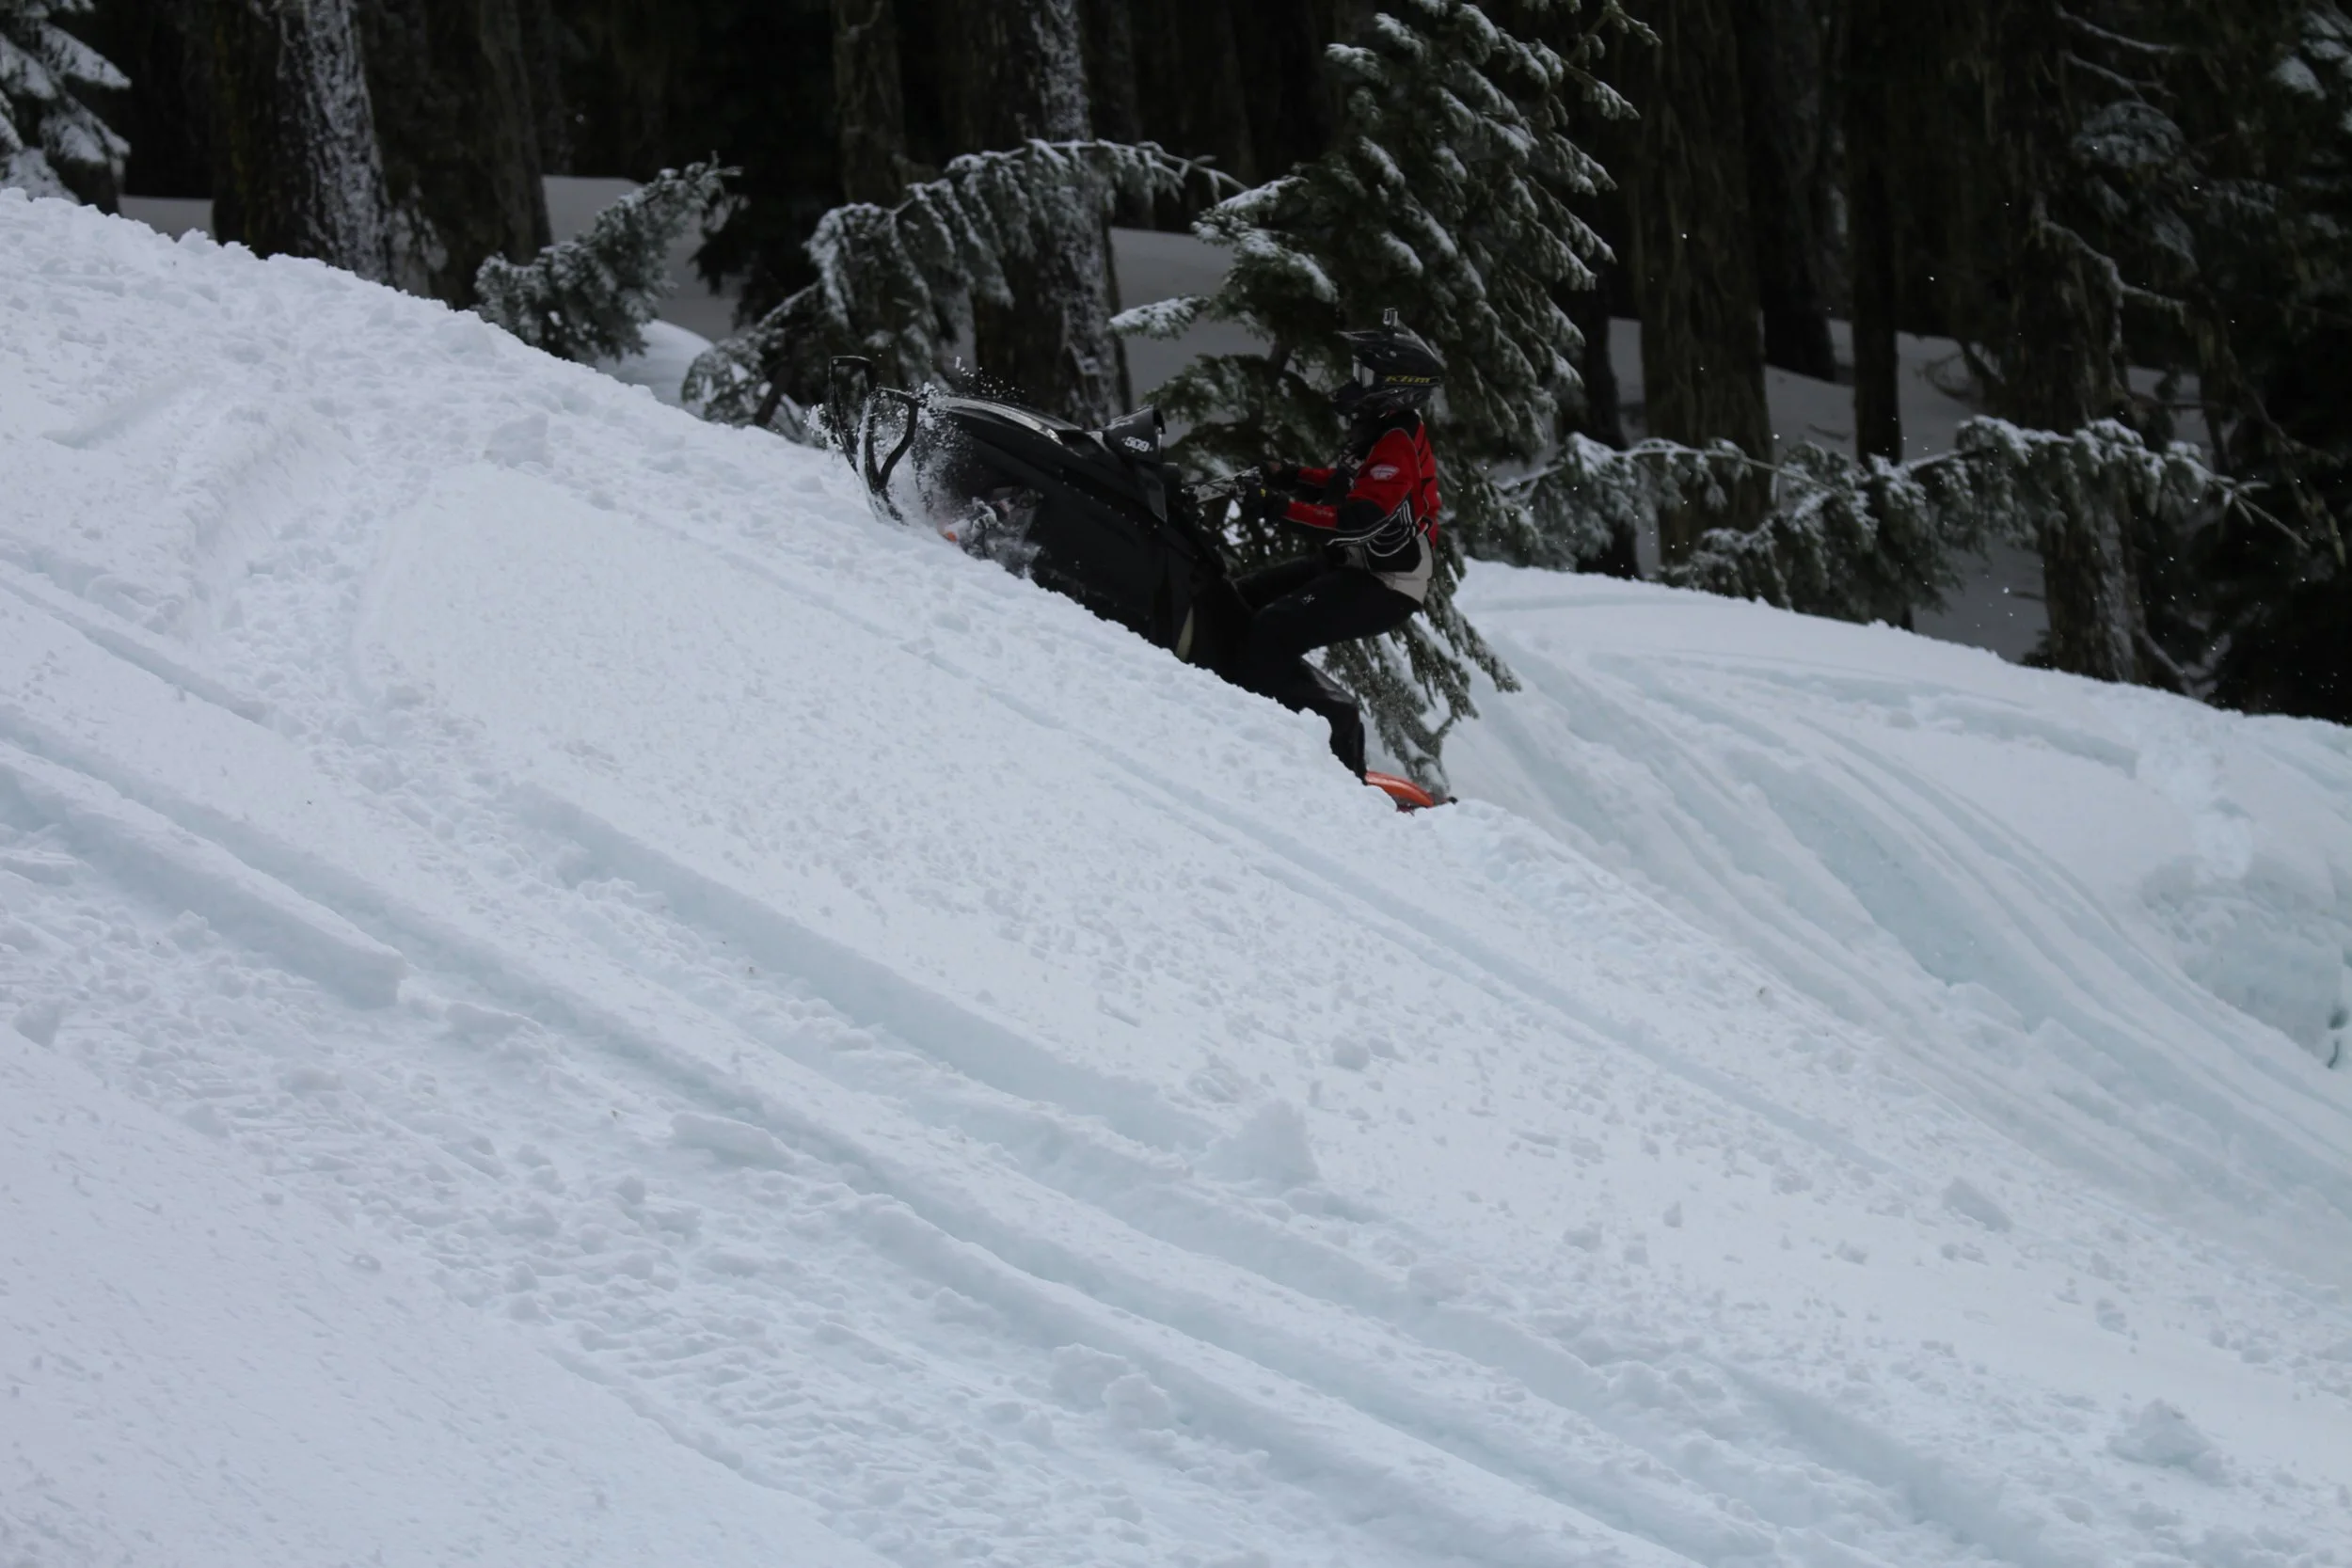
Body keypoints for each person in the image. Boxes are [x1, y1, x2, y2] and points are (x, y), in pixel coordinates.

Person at [1232, 312, 1445, 776]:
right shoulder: (1382, 431)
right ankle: (1227, 697)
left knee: (1273, 629)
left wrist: (1277, 506)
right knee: (1241, 596)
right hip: (1354, 566)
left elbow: (1357, 521)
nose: (1353, 383)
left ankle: (1332, 753)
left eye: (1364, 375)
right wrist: (1290, 475)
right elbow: (1347, 480)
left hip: (1386, 583)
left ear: (1394, 387)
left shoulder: (1396, 443)